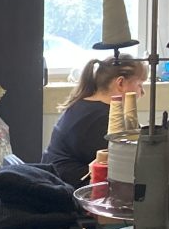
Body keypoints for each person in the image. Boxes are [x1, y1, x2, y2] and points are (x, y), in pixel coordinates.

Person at [41, 56, 147, 186]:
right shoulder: (100, 118)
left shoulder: (83, 105)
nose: (143, 92)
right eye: (140, 85)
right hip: (68, 189)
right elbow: (125, 161)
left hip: (57, 181)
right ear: (120, 83)